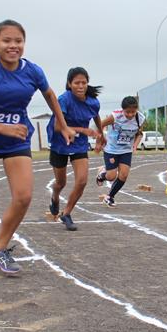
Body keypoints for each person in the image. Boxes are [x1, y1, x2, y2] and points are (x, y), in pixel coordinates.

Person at [0, 19, 74, 276]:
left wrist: (63, 125)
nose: (13, 46)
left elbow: (50, 95)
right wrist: (4, 128)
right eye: (7, 41)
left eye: (18, 41)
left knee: (23, 196)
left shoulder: (32, 71)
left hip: (17, 141)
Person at [47, 67, 103, 231]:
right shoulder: (64, 100)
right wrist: (83, 130)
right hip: (59, 143)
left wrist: (101, 133)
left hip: (79, 145)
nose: (80, 86)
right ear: (69, 84)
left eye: (84, 82)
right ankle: (55, 197)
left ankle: (67, 213)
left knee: (82, 181)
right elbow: (58, 126)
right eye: (76, 83)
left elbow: (96, 115)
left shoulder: (93, 102)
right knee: (60, 183)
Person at [93, 96, 144, 207]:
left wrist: (135, 145)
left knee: (123, 175)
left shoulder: (140, 118)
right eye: (127, 112)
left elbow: (139, 134)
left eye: (133, 112)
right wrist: (98, 142)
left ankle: (110, 197)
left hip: (126, 150)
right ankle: (102, 174)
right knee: (111, 176)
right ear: (122, 110)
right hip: (111, 149)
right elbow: (100, 124)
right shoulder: (116, 116)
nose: (130, 115)